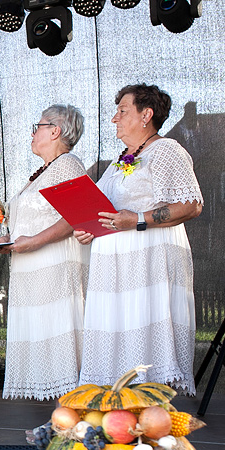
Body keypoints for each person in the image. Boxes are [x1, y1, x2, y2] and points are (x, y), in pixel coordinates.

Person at [75, 84, 202, 392]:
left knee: (145, 339)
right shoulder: (121, 161)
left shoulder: (167, 150)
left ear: (146, 115)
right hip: (114, 270)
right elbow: (102, 206)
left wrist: (138, 220)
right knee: (116, 342)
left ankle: (149, 414)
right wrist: (90, 226)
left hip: (149, 264)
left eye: (122, 111)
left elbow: (191, 204)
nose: (114, 119)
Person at [0, 105, 89, 400]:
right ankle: (58, 415)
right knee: (41, 337)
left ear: (55, 131)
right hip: (30, 270)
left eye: (37, 126)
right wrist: (11, 237)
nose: (33, 133)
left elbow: (79, 216)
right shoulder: (44, 171)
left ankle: (72, 411)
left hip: (55, 267)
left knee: (58, 334)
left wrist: (35, 241)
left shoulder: (67, 164)